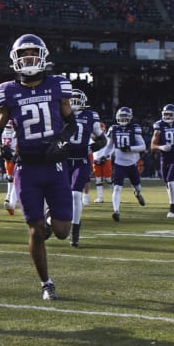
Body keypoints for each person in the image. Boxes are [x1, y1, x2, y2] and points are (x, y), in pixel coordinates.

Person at [0, 33, 78, 300]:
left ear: (42, 58)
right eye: (23, 54)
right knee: (35, 231)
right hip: (26, 168)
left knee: (62, 231)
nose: (28, 58)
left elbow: (71, 123)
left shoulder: (58, 85)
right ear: (16, 59)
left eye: (33, 54)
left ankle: (50, 220)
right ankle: (46, 283)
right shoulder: (7, 91)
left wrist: (62, 141)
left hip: (55, 165)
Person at [66, 88, 106, 246]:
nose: (74, 102)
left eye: (77, 99)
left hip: (81, 160)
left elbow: (102, 140)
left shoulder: (90, 116)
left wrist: (90, 148)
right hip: (64, 160)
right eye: (72, 99)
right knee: (57, 194)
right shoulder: (62, 113)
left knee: (76, 195)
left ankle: (74, 231)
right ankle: (49, 222)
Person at [104, 106, 147, 222]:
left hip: (131, 163)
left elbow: (143, 146)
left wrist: (129, 148)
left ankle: (137, 194)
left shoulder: (135, 129)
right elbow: (109, 146)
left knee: (138, 187)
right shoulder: (114, 129)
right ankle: (116, 211)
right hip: (119, 163)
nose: (123, 119)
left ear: (130, 118)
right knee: (117, 188)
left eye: (125, 117)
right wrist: (105, 155)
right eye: (121, 117)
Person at [0, 119, 18, 215]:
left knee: (10, 179)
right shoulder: (14, 132)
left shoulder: (3, 133)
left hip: (6, 159)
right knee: (16, 180)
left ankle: (8, 198)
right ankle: (10, 200)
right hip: (14, 157)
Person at [91, 122, 112, 203]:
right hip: (96, 160)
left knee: (108, 179)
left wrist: (106, 156)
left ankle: (115, 194)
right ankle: (100, 197)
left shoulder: (108, 138)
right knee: (98, 180)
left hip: (106, 159)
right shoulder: (91, 139)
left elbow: (111, 149)